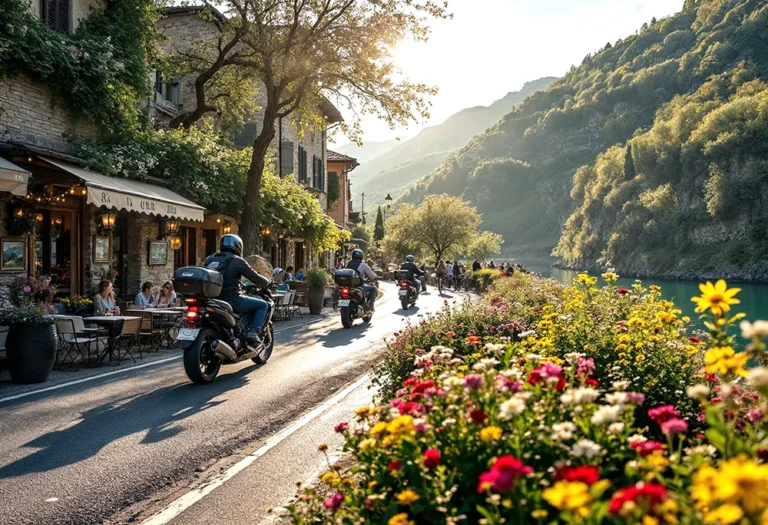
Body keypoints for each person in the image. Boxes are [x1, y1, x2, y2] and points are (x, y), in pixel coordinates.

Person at [204, 234, 270, 344]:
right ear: (238, 246)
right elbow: (254, 277)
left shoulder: (210, 259)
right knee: (263, 305)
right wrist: (266, 282)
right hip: (232, 300)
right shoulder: (237, 261)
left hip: (212, 300)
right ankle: (253, 332)